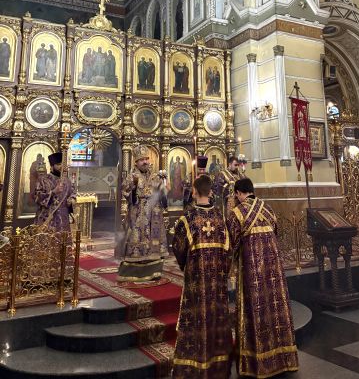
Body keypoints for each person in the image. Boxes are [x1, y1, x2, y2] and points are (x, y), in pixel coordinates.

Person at [227, 178, 299, 378]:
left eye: (236, 195)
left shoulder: (237, 213)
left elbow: (231, 245)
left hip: (252, 272)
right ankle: (284, 358)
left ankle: (257, 363)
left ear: (239, 193)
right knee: (275, 309)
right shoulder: (268, 209)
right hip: (273, 271)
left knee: (256, 310)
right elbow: (276, 232)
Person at [172, 174, 232, 378]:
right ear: (211, 192)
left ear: (194, 192)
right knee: (217, 316)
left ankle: (194, 365)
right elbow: (228, 249)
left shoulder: (187, 218)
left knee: (196, 317)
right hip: (218, 280)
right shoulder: (220, 217)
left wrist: (186, 266)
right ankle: (219, 366)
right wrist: (223, 272)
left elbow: (178, 248)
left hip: (196, 279)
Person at [119, 144, 169, 281]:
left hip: (154, 215)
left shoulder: (155, 176)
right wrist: (134, 188)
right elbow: (126, 194)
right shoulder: (131, 177)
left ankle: (154, 271)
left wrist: (164, 187)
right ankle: (134, 272)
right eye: (142, 160)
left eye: (146, 159)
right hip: (138, 214)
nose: (145, 162)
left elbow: (162, 194)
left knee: (154, 243)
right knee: (136, 241)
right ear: (136, 162)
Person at [34, 152, 75, 232]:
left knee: (63, 239)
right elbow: (37, 198)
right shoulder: (43, 180)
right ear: (52, 166)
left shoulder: (67, 181)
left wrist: (71, 200)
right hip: (48, 218)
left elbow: (72, 193)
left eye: (62, 164)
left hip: (63, 218)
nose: (61, 166)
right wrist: (53, 192)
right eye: (58, 164)